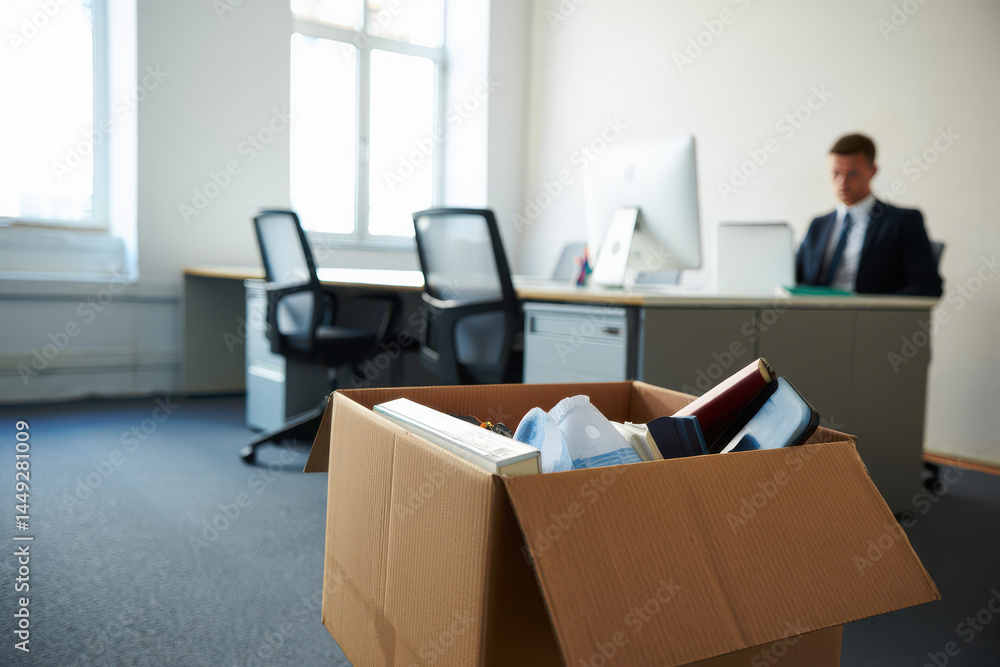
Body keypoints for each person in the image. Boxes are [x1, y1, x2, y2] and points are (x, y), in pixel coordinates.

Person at [796, 133, 943, 297]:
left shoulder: (903, 222)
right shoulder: (818, 225)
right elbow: (794, 278)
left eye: (852, 174)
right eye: (835, 173)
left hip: (870, 319)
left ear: (872, 171)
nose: (842, 182)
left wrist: (872, 308)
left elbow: (928, 286)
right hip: (814, 317)